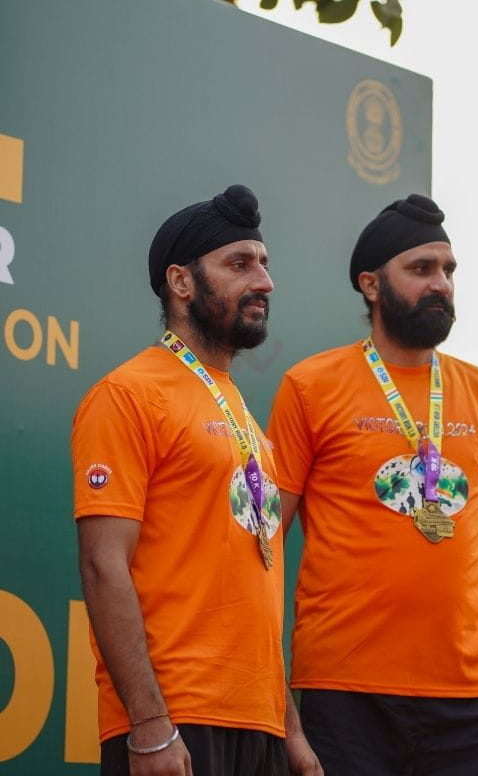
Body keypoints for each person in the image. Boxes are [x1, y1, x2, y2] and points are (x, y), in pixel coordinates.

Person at [267, 194, 478, 776]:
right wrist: (271, 688)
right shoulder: (310, 386)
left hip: (471, 697)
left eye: (448, 270)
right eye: (422, 269)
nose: (442, 284)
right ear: (371, 285)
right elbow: (264, 539)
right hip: (347, 695)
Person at [72, 184, 318, 776]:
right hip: (177, 722)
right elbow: (104, 566)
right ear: (181, 282)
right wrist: (152, 726)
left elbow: (250, 594)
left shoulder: (245, 420)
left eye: (263, 263)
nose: (263, 281)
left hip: (257, 726)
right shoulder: (127, 395)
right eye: (240, 263)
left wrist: (291, 732)